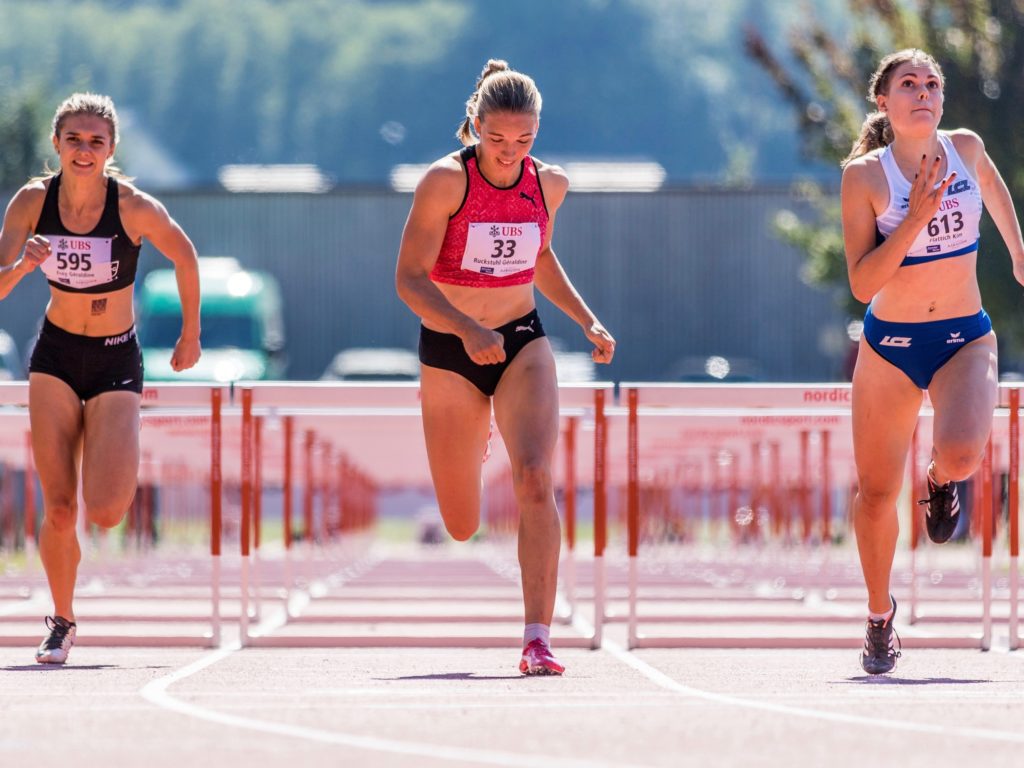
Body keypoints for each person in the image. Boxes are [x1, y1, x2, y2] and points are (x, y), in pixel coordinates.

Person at [395, 60, 615, 675]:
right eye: (496, 141)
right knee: (461, 523)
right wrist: (465, 328)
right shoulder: (444, 182)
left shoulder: (550, 184)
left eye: (523, 142)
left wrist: (585, 319)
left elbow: (539, 257)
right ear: (474, 127)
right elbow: (408, 279)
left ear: (538, 133)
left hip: (520, 340)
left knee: (536, 477)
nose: (508, 153)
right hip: (451, 349)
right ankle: (477, 430)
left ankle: (538, 637)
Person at [0, 93, 202, 663]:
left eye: (95, 141)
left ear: (111, 148)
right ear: (57, 145)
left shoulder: (132, 206)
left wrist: (191, 334)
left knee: (107, 509)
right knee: (60, 508)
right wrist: (21, 267)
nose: (84, 150)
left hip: (116, 356)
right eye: (73, 140)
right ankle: (61, 619)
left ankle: (116, 454)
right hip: (57, 357)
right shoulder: (31, 203)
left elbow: (185, 255)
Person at [840, 50, 1024, 674]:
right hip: (890, 348)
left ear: (942, 100)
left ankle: (941, 480)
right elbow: (863, 284)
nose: (923, 92)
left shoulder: (966, 149)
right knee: (875, 494)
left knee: (965, 453)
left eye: (932, 84)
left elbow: (995, 192)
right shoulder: (865, 177)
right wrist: (913, 219)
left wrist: (1020, 254)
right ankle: (878, 616)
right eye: (908, 84)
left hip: (964, 336)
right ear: (884, 102)